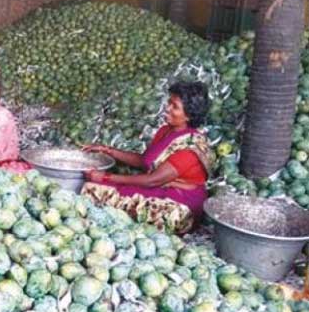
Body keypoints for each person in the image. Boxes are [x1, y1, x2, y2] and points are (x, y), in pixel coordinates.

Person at [81, 81, 215, 234]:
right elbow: (145, 161)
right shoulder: (166, 131)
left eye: (175, 106)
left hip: (180, 205)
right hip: (161, 187)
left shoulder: (189, 148)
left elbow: (153, 179)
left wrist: (106, 177)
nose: (167, 108)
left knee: (94, 189)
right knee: (105, 183)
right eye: (169, 103)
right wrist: (108, 150)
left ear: (189, 116)